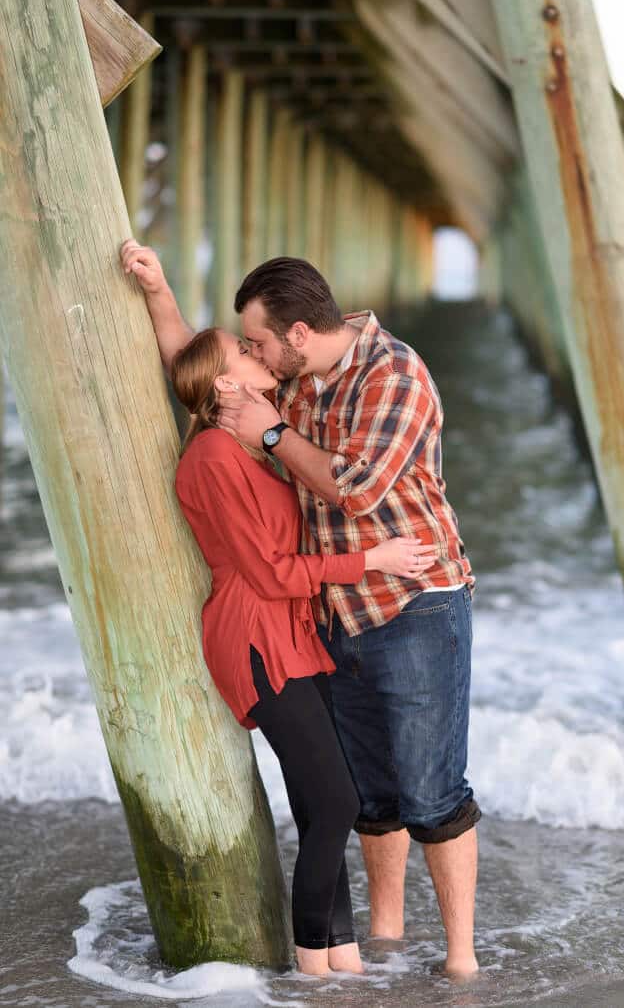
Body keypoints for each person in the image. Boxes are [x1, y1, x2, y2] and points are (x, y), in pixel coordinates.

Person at [124, 240, 483, 977]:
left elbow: (351, 487)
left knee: (430, 791)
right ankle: (376, 942)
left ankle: (461, 961)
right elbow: (195, 369)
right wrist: (159, 292)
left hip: (412, 601)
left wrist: (271, 433)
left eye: (257, 339)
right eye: (245, 348)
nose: (253, 354)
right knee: (367, 794)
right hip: (324, 617)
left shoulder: (393, 376)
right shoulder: (288, 383)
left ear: (293, 336)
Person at [162, 321, 435, 976]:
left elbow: (188, 360)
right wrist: (374, 557)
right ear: (226, 382)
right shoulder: (211, 457)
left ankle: (344, 960)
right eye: (243, 351)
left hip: (295, 635)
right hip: (255, 637)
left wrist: (158, 293)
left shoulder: (248, 446)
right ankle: (312, 963)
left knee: (320, 803)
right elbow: (270, 573)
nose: (258, 355)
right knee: (338, 802)